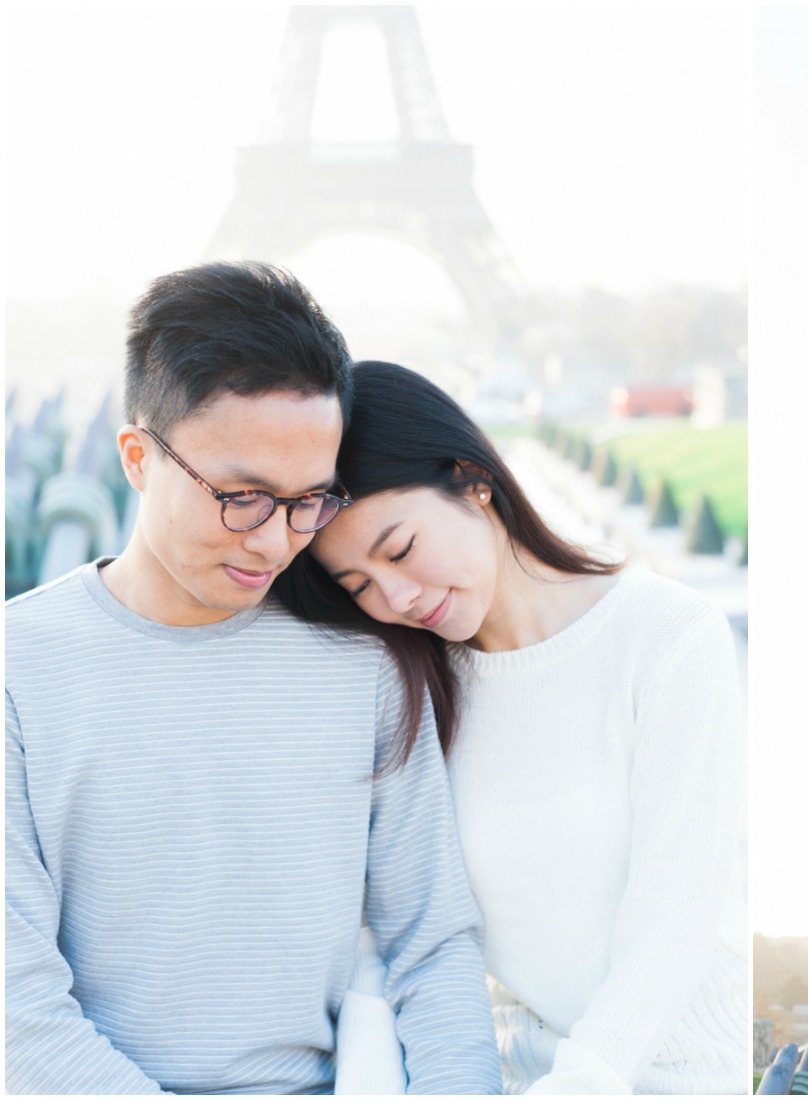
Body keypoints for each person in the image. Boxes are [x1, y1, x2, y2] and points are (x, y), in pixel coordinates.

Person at [5, 263, 503, 1094]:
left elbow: (434, 944)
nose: (276, 543)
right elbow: (17, 1011)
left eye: (311, 501)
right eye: (242, 497)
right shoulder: (17, 669)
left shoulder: (366, 661)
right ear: (137, 458)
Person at [274, 360, 748, 1094]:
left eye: (398, 549)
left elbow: (676, 912)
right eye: (358, 585)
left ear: (473, 480)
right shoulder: (409, 689)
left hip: (668, 1071)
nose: (396, 595)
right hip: (501, 1073)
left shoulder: (667, 639)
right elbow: (388, 929)